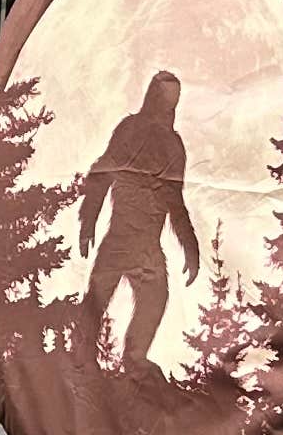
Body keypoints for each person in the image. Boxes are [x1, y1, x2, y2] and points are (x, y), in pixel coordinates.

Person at [77, 68, 202, 375]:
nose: (170, 104)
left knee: (154, 297)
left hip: (147, 241)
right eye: (166, 97)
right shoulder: (130, 128)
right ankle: (82, 356)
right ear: (154, 96)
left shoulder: (174, 145)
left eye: (175, 98)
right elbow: (103, 171)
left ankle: (134, 358)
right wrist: (88, 221)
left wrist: (191, 247)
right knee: (99, 297)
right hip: (123, 235)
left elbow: (175, 200)